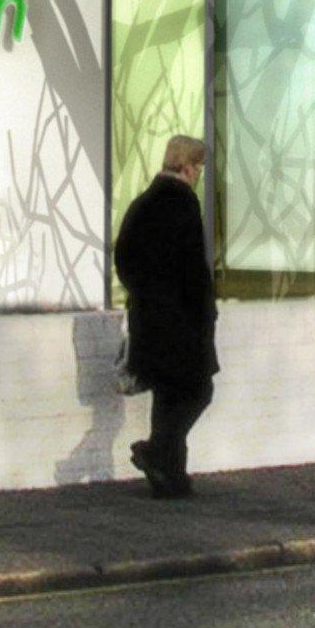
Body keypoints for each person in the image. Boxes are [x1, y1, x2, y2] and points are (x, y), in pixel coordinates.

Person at [112, 135, 217, 498]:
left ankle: (170, 477)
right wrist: (203, 311)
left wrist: (145, 294)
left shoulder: (142, 203)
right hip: (181, 322)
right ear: (187, 166)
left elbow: (124, 260)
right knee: (198, 391)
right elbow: (192, 270)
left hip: (149, 320)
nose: (200, 173)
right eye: (199, 166)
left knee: (168, 397)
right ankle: (157, 453)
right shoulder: (182, 204)